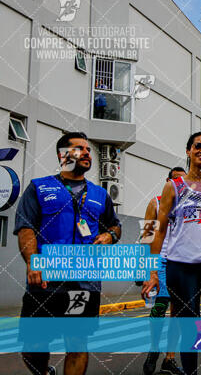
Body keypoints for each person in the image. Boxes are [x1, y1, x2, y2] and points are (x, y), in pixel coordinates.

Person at [15, 132, 121, 375]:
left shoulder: (100, 195)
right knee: (33, 346)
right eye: (79, 148)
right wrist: (34, 262)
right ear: (63, 155)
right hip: (46, 281)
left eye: (87, 149)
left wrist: (109, 236)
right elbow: (25, 228)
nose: (86, 152)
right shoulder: (39, 188)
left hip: (84, 284)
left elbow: (115, 226)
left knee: (77, 343)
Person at [142, 132, 201, 375]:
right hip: (178, 266)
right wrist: (150, 270)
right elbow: (153, 234)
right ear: (189, 151)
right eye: (198, 146)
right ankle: (159, 352)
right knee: (182, 324)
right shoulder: (168, 191)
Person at [142, 167, 187, 375]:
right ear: (168, 181)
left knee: (178, 312)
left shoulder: (190, 205)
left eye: (183, 180)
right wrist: (147, 270)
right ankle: (153, 348)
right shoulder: (156, 202)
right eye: (176, 180)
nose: (179, 184)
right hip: (159, 260)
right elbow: (148, 237)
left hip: (180, 261)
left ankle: (169, 358)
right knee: (159, 307)